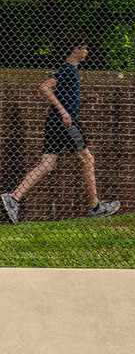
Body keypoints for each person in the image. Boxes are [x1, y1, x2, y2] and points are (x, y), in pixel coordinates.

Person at [1, 34, 120, 224]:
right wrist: (64, 113)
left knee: (47, 165)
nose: (87, 52)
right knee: (87, 159)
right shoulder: (68, 70)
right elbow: (45, 87)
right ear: (76, 49)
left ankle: (13, 198)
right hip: (66, 125)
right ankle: (96, 207)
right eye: (85, 48)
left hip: (53, 125)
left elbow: (67, 100)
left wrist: (85, 99)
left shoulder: (71, 73)